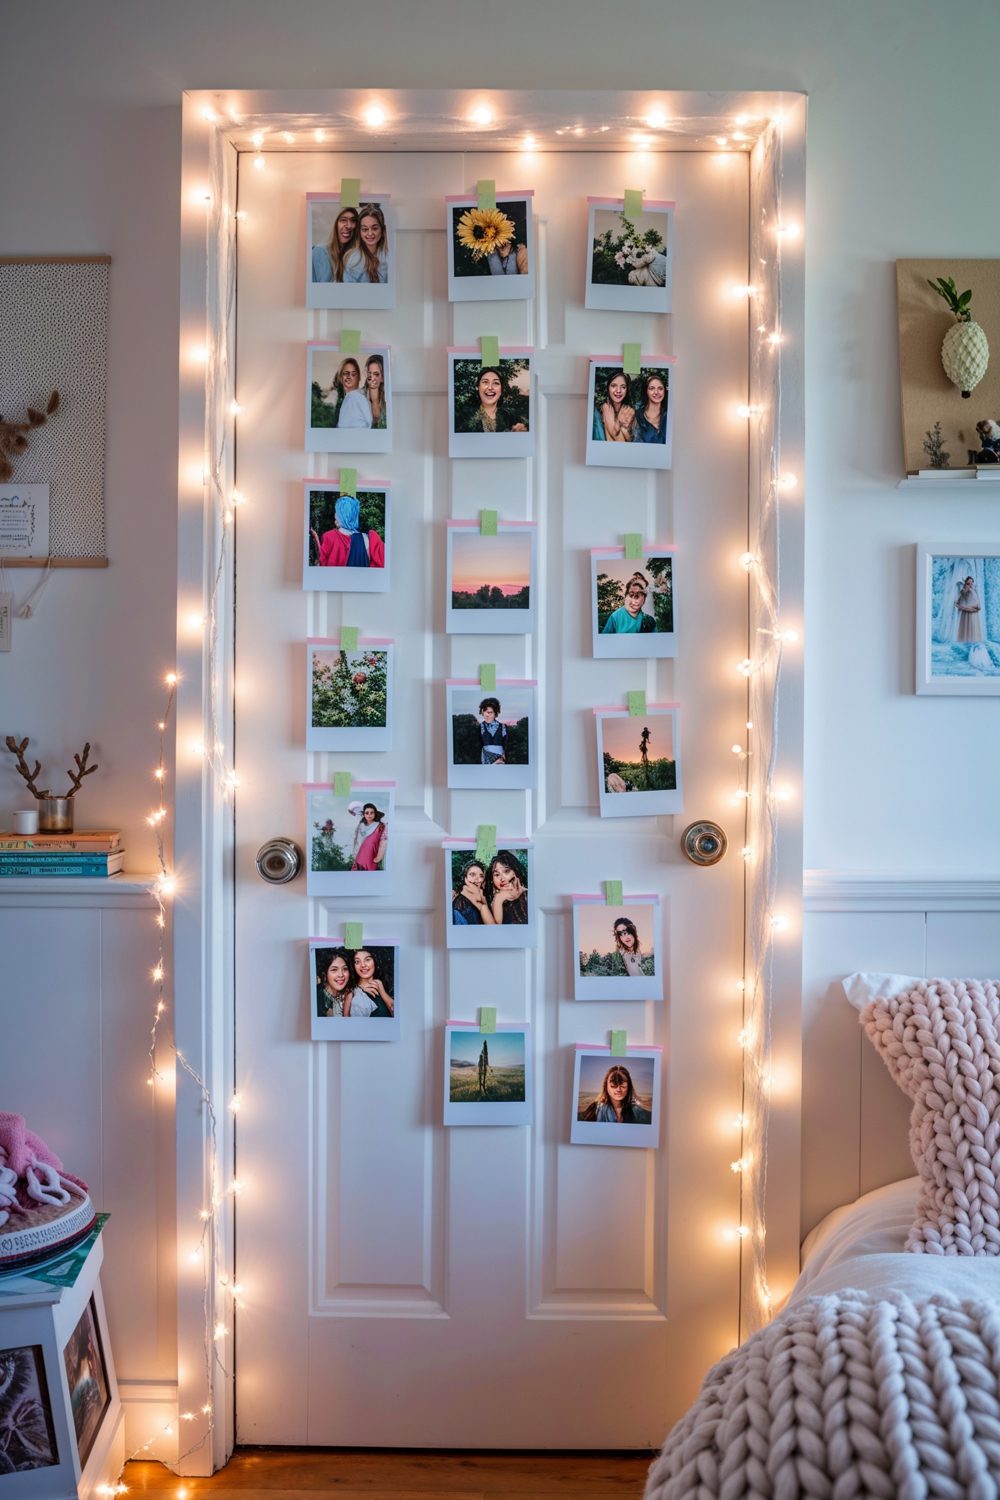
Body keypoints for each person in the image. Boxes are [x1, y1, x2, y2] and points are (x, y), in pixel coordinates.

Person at [312, 494, 385, 569]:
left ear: (341, 515)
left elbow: (322, 567)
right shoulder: (371, 540)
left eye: (337, 511)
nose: (335, 515)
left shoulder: (328, 537)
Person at [460, 366, 528, 434]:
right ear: (477, 387)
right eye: (485, 382)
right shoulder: (462, 417)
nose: (490, 387)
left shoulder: (512, 417)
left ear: (501, 389)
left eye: (496, 383)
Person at [580, 1065, 652, 1123]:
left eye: (623, 1086)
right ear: (606, 1087)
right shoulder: (594, 1109)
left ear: (629, 1087)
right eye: (613, 1086)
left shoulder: (638, 1112)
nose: (618, 1090)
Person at [321, 357, 372, 430]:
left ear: (359, 378)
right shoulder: (355, 397)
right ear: (340, 378)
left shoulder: (353, 397)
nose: (349, 377)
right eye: (346, 373)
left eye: (353, 374)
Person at [312, 206, 360, 283]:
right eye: (343, 220)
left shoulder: (358, 256)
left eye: (353, 220)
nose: (349, 226)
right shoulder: (320, 252)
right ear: (335, 224)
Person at [343, 203, 389, 284]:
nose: (370, 233)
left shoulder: (389, 256)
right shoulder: (353, 261)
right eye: (365, 229)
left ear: (382, 230)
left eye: (374, 228)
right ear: (359, 232)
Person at [349, 947, 394, 1017]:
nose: (363, 965)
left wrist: (382, 991)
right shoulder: (358, 999)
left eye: (367, 960)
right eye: (357, 961)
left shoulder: (383, 984)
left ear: (375, 961)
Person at [486, 851, 528, 925]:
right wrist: (499, 898)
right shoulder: (491, 899)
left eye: (506, 871)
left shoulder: (528, 895)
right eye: (497, 874)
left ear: (515, 871)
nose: (502, 878)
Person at [593, 372, 635, 442]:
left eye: (623, 387)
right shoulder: (606, 407)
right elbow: (616, 436)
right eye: (613, 386)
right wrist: (620, 423)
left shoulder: (629, 409)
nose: (618, 391)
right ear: (608, 388)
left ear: (627, 389)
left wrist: (623, 430)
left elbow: (630, 438)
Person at [451, 857, 495, 924]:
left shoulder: (483, 897)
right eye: (472, 874)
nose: (478, 879)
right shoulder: (460, 904)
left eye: (481, 876)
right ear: (465, 878)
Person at [349, 801, 388, 871]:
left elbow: (383, 842)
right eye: (367, 813)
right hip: (360, 857)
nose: (369, 815)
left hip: (371, 857)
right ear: (364, 814)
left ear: (375, 814)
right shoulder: (360, 826)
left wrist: (379, 857)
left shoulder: (380, 826)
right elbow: (356, 841)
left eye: (371, 813)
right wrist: (354, 856)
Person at [317, 950, 356, 1017]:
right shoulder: (318, 1000)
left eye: (345, 969)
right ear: (324, 974)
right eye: (334, 970)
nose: (341, 975)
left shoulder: (349, 993)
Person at [633, 373, 668, 444]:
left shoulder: (668, 415)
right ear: (646, 391)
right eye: (652, 388)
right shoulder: (637, 416)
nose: (656, 392)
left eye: (660, 388)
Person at [478, 697, 507, 765]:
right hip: (486, 760)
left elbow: (506, 745)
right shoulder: (479, 727)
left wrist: (502, 758)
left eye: (490, 712)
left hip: (500, 760)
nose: (487, 715)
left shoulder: (503, 726)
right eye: (484, 712)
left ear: (495, 713)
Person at [956, 576, 985, 643]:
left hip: (974, 612)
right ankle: (965, 642)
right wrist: (965, 608)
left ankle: (974, 643)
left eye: (972, 582)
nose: (971, 584)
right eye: (969, 583)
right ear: (966, 583)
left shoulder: (974, 590)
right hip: (967, 612)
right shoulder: (964, 590)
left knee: (974, 629)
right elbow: (957, 602)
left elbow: (978, 602)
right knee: (967, 629)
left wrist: (976, 608)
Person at [364, 355, 387, 429]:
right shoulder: (360, 396)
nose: (372, 378)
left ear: (383, 378)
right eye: (369, 373)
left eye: (376, 374)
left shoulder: (387, 396)